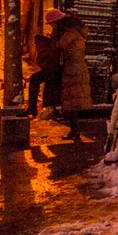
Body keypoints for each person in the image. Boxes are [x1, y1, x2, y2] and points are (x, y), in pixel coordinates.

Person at [55, 13, 92, 141]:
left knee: (71, 103)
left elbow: (59, 45)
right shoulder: (77, 32)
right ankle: (74, 130)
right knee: (72, 104)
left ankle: (75, 131)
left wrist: (54, 35)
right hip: (78, 68)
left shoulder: (70, 34)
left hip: (72, 70)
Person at [27, 9, 63, 117]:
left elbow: (58, 49)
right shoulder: (59, 31)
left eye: (52, 23)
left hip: (58, 67)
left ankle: (33, 108)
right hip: (56, 67)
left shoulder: (60, 32)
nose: (51, 25)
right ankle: (35, 108)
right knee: (40, 80)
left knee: (35, 79)